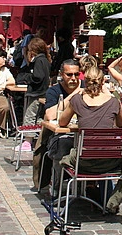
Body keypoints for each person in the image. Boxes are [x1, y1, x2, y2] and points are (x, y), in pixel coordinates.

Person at [58, 65, 122, 213]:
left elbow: (62, 122)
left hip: (84, 162)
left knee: (65, 155)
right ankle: (110, 201)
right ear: (103, 82)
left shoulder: (77, 100)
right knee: (117, 161)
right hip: (109, 162)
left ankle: (60, 191)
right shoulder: (114, 101)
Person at [32, 58, 85, 191]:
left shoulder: (87, 87)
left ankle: (90, 187)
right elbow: (50, 115)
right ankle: (58, 187)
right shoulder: (54, 91)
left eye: (76, 74)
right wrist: (74, 95)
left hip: (84, 135)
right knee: (62, 144)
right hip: (58, 135)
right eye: (69, 75)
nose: (73, 78)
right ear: (62, 74)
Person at [23, 37, 51, 125]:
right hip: (43, 91)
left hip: (36, 92)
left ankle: (28, 133)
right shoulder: (46, 60)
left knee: (30, 117)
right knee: (38, 117)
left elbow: (38, 77)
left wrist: (27, 77)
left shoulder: (38, 61)